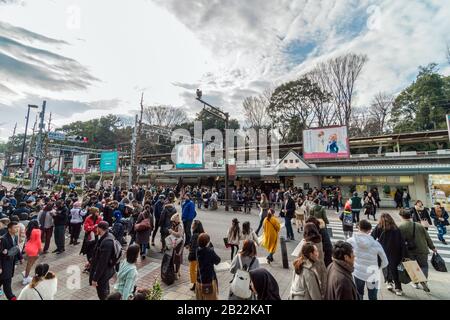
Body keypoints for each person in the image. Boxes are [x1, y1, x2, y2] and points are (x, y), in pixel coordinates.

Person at [347, 220, 388, 300]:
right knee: (373, 296)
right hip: (373, 272)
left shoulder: (350, 241)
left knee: (359, 293)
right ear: (370, 230)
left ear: (358, 227)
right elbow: (385, 261)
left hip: (358, 272)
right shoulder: (376, 244)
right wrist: (379, 267)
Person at [398, 209, 436, 292]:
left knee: (412, 267)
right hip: (422, 249)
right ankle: (424, 280)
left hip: (410, 251)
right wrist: (432, 247)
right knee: (424, 266)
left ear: (401, 216)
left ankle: (415, 283)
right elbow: (427, 237)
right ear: (411, 216)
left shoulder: (400, 227)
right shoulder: (419, 225)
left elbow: (399, 241)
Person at [371, 213, 406, 296]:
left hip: (383, 251)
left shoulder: (379, 227)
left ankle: (389, 282)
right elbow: (402, 242)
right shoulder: (396, 228)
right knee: (395, 270)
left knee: (385, 267)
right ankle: (398, 288)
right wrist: (404, 254)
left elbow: (372, 237)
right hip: (395, 252)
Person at [89, 221, 116, 300]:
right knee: (105, 290)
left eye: (97, 227)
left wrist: (95, 279)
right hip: (105, 272)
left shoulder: (107, 242)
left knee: (102, 294)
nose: (96, 229)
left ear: (100, 228)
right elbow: (98, 255)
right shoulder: (108, 236)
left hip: (103, 273)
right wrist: (90, 262)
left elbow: (102, 263)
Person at [0, 221, 23, 300]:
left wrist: (20, 258)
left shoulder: (15, 237)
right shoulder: (3, 239)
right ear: (9, 229)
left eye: (17, 227)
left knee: (2, 279)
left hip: (11, 263)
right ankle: (12, 297)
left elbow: (16, 248)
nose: (17, 229)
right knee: (7, 282)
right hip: (4, 264)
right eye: (15, 228)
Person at [196, 233, 221, 300]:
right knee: (211, 298)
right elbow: (218, 260)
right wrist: (211, 249)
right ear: (207, 243)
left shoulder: (198, 250)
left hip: (199, 279)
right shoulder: (210, 251)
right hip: (209, 281)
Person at [188, 220, 204, 291]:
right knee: (198, 271)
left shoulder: (195, 235)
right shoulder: (202, 233)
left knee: (192, 271)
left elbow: (194, 247)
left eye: (193, 224)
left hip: (195, 256)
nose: (192, 225)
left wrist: (190, 252)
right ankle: (197, 284)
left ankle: (195, 284)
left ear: (195, 226)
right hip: (201, 256)